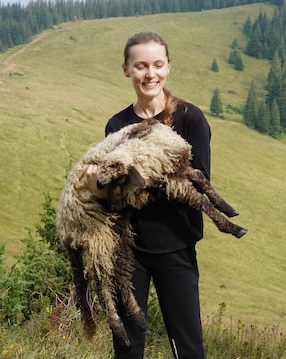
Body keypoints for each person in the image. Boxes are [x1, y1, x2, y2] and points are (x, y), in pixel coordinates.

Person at [84, 31, 211, 359]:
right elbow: (114, 196)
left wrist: (139, 182)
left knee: (188, 348)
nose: (149, 73)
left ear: (168, 67)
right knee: (127, 347)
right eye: (140, 66)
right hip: (128, 251)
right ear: (126, 69)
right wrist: (96, 187)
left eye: (157, 64)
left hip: (177, 247)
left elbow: (200, 185)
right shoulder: (118, 124)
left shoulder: (190, 119)